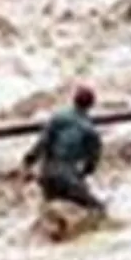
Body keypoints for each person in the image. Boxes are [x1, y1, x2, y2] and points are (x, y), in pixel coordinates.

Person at [22, 86, 104, 214]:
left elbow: (42, 142)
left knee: (48, 210)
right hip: (67, 177)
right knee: (97, 209)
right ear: (91, 105)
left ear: (74, 100)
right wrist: (82, 175)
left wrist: (29, 161)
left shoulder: (58, 117)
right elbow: (92, 163)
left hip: (46, 173)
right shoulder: (90, 131)